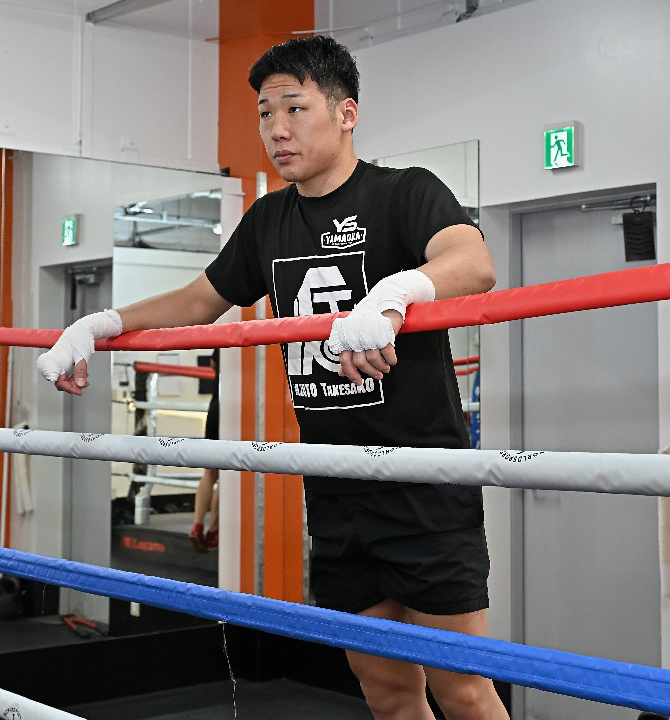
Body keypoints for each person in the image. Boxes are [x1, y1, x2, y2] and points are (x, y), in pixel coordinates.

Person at [38, 35, 509, 720]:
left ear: (346, 113)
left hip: (423, 487)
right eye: (265, 113)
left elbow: (473, 262)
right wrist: (99, 324)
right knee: (386, 693)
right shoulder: (268, 221)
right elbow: (199, 301)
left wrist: (392, 295)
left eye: (294, 107)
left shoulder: (404, 192)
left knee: (461, 690)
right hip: (336, 488)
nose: (277, 130)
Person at [189, 349, 219, 552]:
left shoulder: (223, 343)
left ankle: (197, 525)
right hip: (236, 409)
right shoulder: (245, 341)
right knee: (228, 474)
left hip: (215, 408)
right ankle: (213, 531)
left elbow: (212, 364)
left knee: (209, 472)